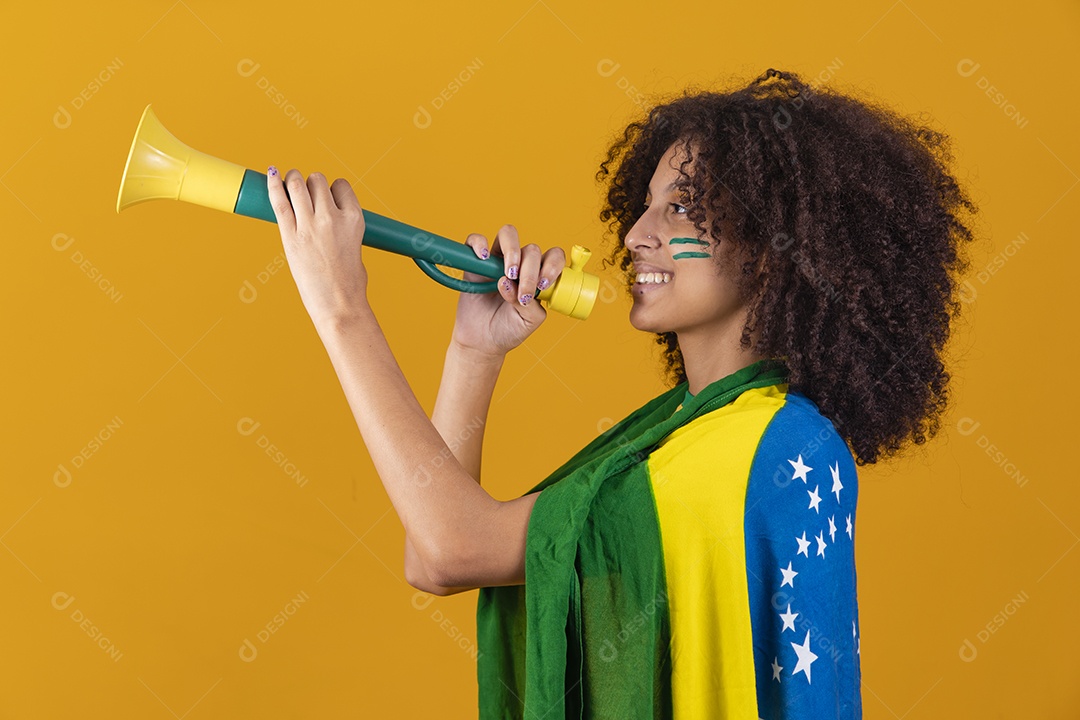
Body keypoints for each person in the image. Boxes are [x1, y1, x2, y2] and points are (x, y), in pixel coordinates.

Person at [266, 67, 977, 719]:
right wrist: (474, 351)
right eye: (645, 206)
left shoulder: (758, 447)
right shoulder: (695, 432)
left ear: (774, 244)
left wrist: (343, 309)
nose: (636, 235)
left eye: (682, 207)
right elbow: (433, 558)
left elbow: (454, 546)